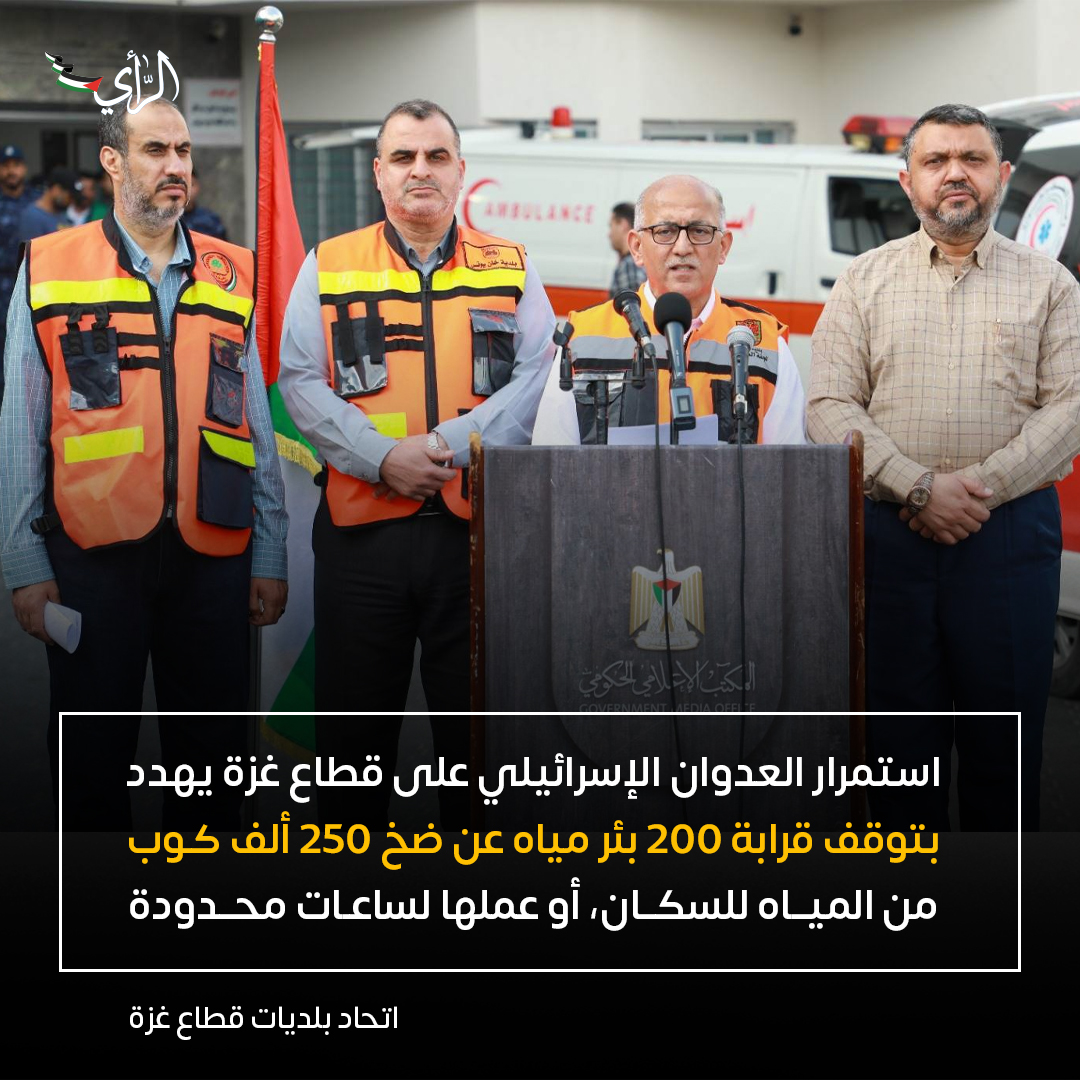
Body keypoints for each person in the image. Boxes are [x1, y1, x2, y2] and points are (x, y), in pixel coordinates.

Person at [0, 98, 289, 831]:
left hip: (214, 550)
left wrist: (271, 548)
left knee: (215, 768)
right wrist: (25, 563)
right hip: (92, 553)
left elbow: (253, 421)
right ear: (113, 161)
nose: (176, 166)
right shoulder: (50, 266)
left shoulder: (232, 272)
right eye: (156, 150)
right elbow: (20, 423)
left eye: (183, 151)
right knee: (90, 763)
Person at [279, 98, 555, 829]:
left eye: (436, 156)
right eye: (403, 156)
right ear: (379, 173)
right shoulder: (329, 265)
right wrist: (380, 458)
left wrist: (446, 445)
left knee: (477, 747)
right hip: (362, 542)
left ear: (461, 171)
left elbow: (538, 377)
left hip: (478, 540)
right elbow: (299, 379)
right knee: (352, 749)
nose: (420, 170)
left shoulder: (512, 267)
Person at [806, 103, 1080, 832]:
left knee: (1004, 756)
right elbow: (828, 405)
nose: (954, 173)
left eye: (972, 159)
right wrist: (918, 487)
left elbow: (1071, 409)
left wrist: (973, 494)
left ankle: (997, 898)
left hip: (1008, 540)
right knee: (896, 756)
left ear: (1002, 175)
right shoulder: (862, 281)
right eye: (935, 161)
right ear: (908, 181)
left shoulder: (1052, 285)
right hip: (889, 539)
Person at [533, 174, 806, 445]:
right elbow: (552, 461)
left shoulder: (766, 344)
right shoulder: (582, 338)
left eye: (700, 231)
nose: (683, 247)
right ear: (637, 247)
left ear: (723, 247)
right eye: (665, 231)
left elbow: (787, 466)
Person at [0, 144, 35, 404]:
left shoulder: (37, 201)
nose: (11, 171)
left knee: (31, 346)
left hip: (33, 286)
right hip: (2, 288)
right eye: (6, 166)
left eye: (16, 165)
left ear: (24, 168)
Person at [17, 166, 81, 241]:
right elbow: (33, 248)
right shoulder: (32, 216)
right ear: (56, 190)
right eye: (70, 197)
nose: (71, 201)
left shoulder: (62, 214)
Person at [608, 201, 645, 297]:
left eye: (611, 226)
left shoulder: (630, 265)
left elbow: (634, 304)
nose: (609, 234)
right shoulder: (636, 261)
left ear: (623, 224)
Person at [183, 168, 227, 240]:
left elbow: (222, 245)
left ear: (198, 187)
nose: (188, 189)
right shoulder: (168, 220)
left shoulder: (211, 219)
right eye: (183, 184)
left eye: (192, 185)